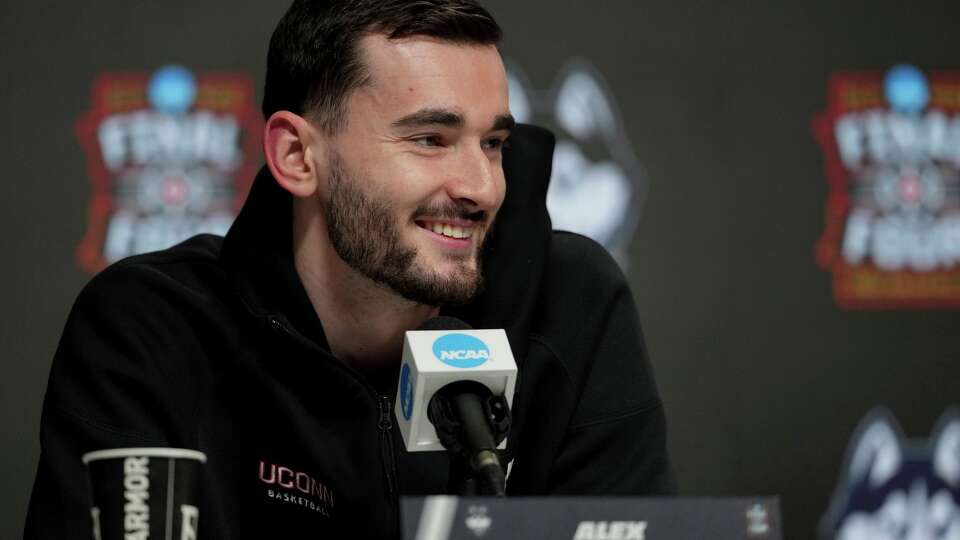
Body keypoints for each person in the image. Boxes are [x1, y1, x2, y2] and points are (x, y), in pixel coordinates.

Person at [26, 1, 674, 538]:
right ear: (297, 157)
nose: (481, 186)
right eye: (430, 139)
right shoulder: (155, 330)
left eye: (494, 144)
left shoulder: (568, 302)